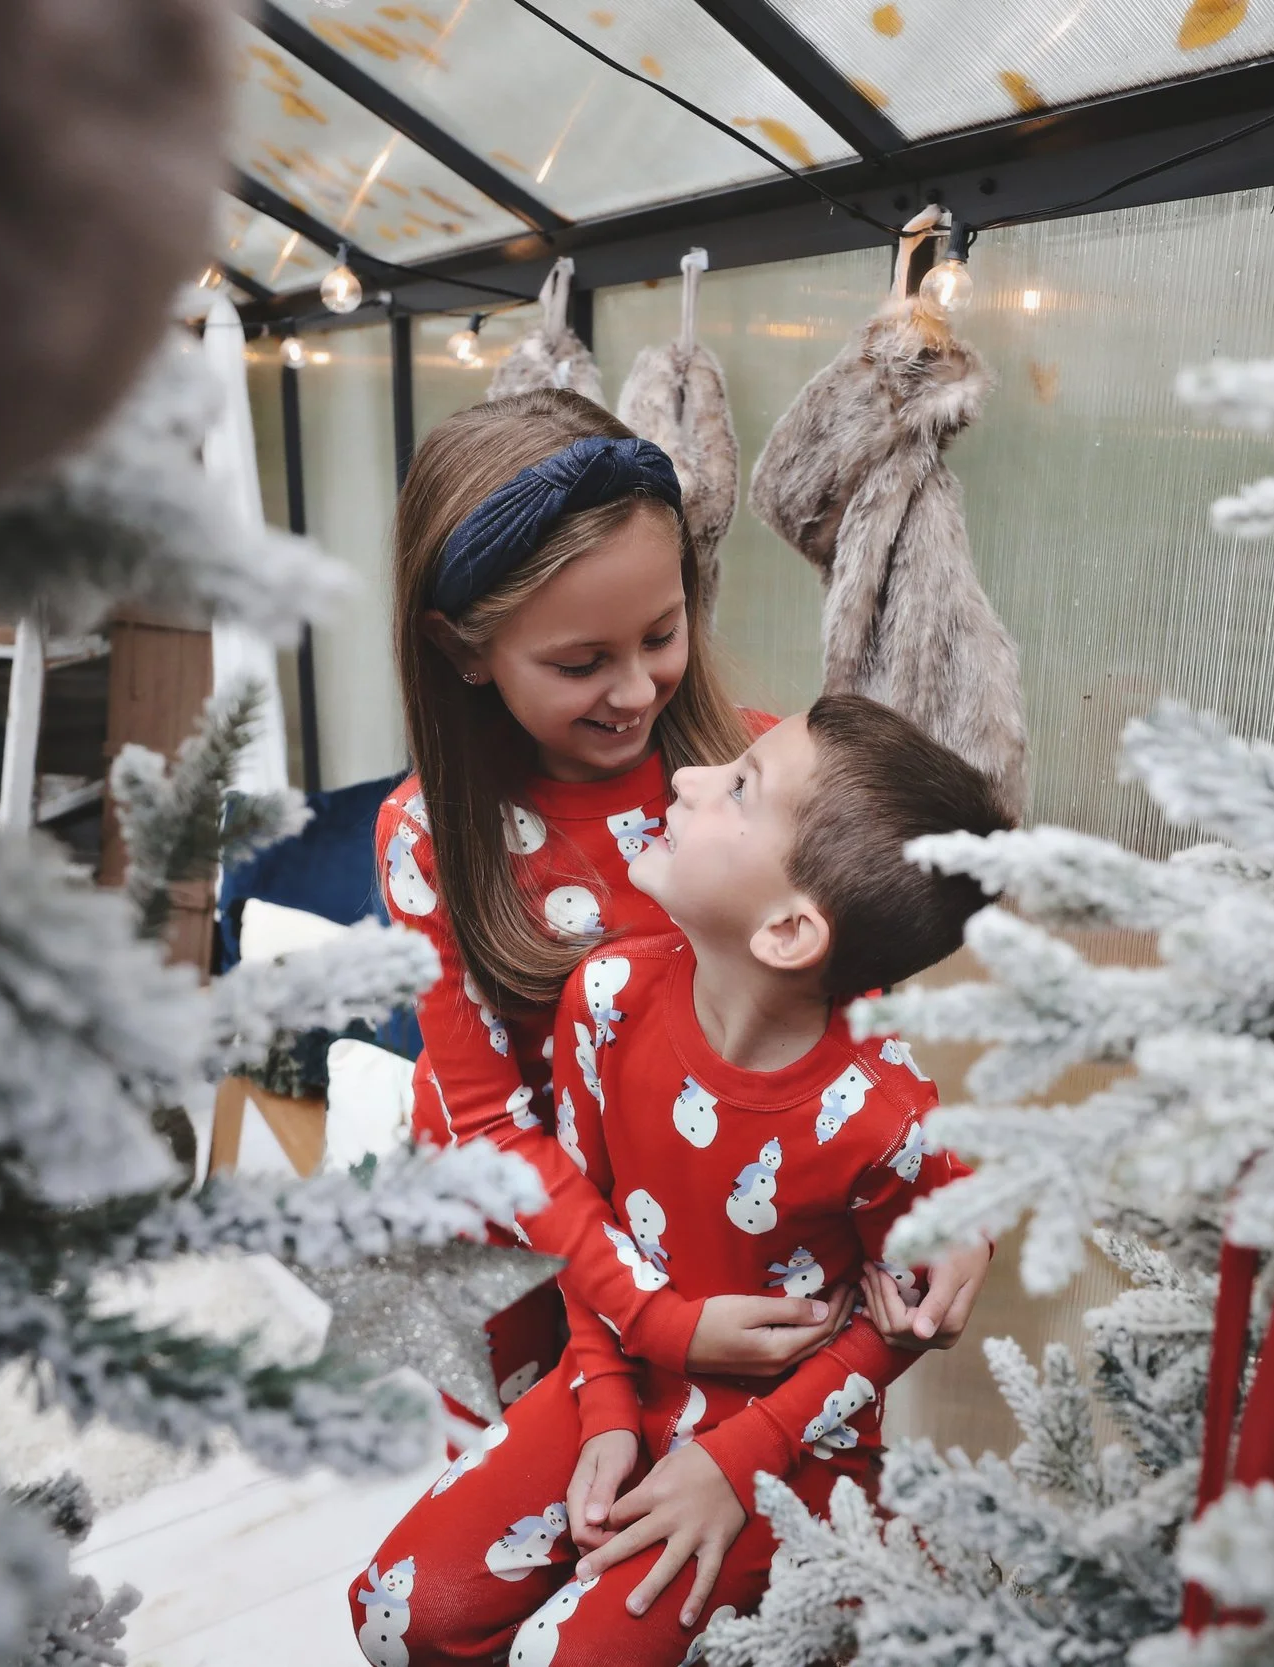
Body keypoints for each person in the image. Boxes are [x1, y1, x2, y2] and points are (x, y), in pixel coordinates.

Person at [355, 694, 1014, 1666]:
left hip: (788, 1441)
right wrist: (607, 1407)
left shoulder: (888, 1116)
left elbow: (905, 1320)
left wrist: (736, 1460)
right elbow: (591, 1219)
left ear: (790, 931)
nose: (686, 777)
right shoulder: (607, 997)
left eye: (737, 786)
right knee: (396, 1608)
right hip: (617, 1370)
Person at [374, 392, 988, 1411]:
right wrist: (644, 1314)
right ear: (461, 649)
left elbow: (858, 1014)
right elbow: (488, 1122)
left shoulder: (751, 773)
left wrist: (946, 1193)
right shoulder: (431, 837)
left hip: (719, 1247)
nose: (635, 688)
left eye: (661, 634)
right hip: (521, 1268)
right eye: (580, 663)